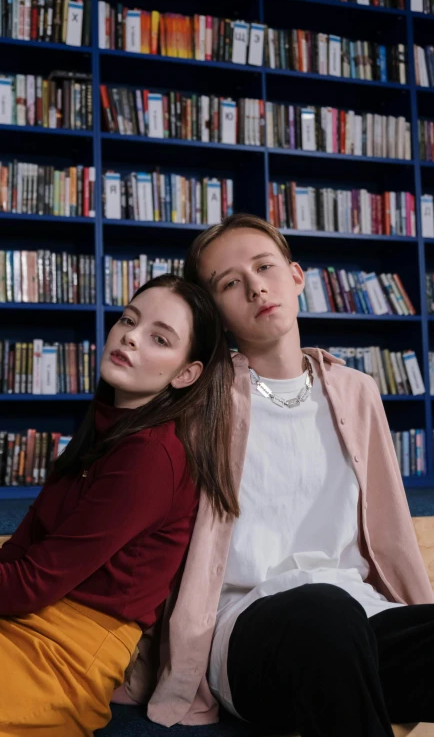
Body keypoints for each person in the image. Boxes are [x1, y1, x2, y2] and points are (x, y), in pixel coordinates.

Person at [116, 215, 434, 737]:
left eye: (264, 267)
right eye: (229, 283)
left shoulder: (357, 391)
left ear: (296, 276)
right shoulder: (200, 400)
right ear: (214, 313)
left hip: (365, 619)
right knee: (324, 616)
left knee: (339, 621)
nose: (255, 285)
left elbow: (391, 527)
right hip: (244, 627)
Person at [0, 273, 237, 737]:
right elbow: (22, 552)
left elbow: (33, 584)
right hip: (26, 617)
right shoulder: (104, 432)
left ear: (186, 374)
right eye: (129, 319)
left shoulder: (152, 454)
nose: (129, 336)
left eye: (158, 338)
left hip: (66, 654)